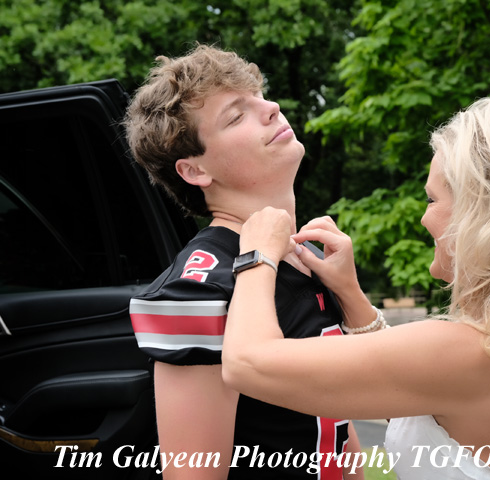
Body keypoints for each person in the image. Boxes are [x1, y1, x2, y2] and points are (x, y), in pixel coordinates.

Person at [220, 93, 490, 479]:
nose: (424, 219)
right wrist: (351, 293)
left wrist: (257, 255)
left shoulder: (469, 350)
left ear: (480, 216)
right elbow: (426, 403)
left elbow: (247, 364)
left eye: (431, 199)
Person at [123, 43, 366, 479]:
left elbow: (337, 430)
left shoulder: (309, 255)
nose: (271, 108)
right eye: (236, 115)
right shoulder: (197, 288)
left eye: (260, 96)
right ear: (194, 171)